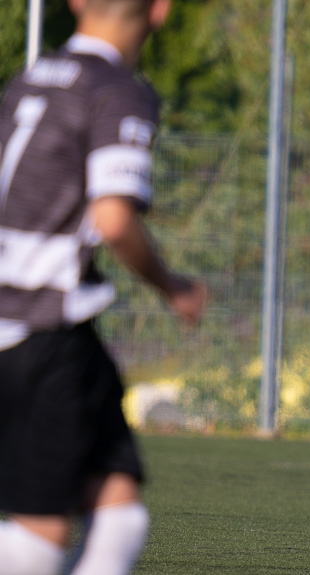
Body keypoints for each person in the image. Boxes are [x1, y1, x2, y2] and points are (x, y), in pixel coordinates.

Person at [0, 1, 206, 573]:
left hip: (48, 330)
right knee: (39, 539)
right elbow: (114, 220)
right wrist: (173, 286)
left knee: (119, 507)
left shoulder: (28, 79)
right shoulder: (117, 90)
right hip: (41, 330)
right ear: (160, 9)